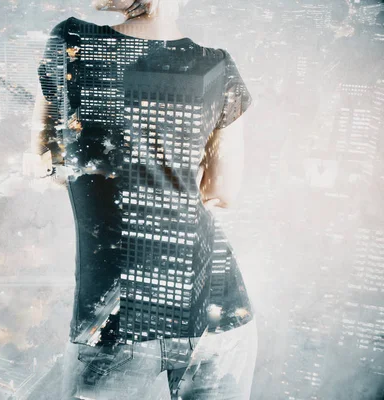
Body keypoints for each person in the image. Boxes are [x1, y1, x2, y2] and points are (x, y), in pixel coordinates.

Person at [31, 0, 257, 398]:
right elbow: (222, 191)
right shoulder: (217, 67)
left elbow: (46, 156)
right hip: (217, 308)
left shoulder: (71, 41)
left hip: (115, 317)